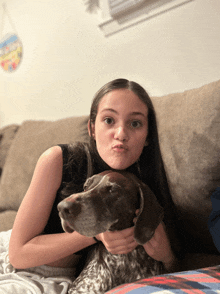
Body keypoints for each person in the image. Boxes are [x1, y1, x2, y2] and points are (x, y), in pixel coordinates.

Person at [9, 78, 180, 278]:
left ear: (148, 135)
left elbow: (173, 264)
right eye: (109, 120)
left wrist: (167, 256)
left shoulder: (143, 189)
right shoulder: (58, 160)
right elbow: (18, 254)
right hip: (26, 270)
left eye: (135, 123)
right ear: (92, 128)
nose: (121, 133)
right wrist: (95, 234)